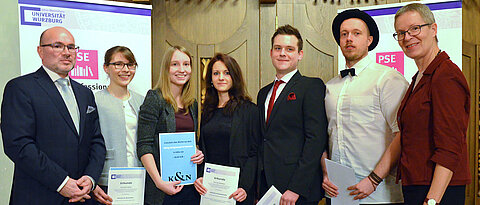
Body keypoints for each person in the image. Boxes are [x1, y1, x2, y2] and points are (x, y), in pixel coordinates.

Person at [367, 3, 471, 205]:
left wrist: (432, 200)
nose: (407, 37)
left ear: (433, 29)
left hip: (437, 190)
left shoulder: (446, 75)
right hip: (416, 185)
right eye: (401, 33)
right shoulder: (419, 77)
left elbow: (450, 148)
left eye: (415, 28)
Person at [1, 26, 106, 204]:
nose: (67, 52)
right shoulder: (20, 88)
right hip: (39, 196)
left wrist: (90, 178)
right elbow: (19, 145)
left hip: (82, 196)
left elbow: (96, 141)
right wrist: (61, 182)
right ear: (40, 51)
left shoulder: (85, 93)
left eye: (71, 47)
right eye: (58, 46)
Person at [321, 9, 408, 205]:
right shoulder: (330, 86)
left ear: (369, 40)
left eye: (356, 33)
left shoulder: (388, 79)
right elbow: (323, 136)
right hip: (338, 193)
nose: (349, 39)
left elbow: (403, 134)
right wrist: (325, 173)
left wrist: (373, 180)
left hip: (378, 195)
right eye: (344, 34)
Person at [256, 24, 328, 205]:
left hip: (296, 189)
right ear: (271, 52)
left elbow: (315, 140)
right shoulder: (263, 93)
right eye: (278, 48)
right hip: (267, 186)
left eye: (289, 49)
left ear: (300, 54)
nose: (282, 53)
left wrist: (296, 188)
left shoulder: (311, 87)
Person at [136, 45, 204, 205]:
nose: (182, 69)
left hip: (189, 186)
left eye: (186, 64)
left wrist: (197, 151)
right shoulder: (154, 98)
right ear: (166, 68)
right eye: (175, 64)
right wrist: (159, 182)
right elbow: (144, 146)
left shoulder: (192, 103)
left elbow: (191, 140)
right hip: (162, 189)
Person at [193, 53, 259, 204]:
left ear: (234, 77)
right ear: (210, 79)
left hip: (237, 192)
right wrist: (200, 176)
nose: (221, 77)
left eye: (226, 73)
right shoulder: (207, 111)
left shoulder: (250, 110)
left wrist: (245, 187)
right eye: (216, 73)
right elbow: (203, 150)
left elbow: (255, 152)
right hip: (210, 191)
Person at [91, 46, 145, 205]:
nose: (125, 70)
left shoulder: (142, 101)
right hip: (106, 180)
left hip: (139, 178)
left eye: (130, 65)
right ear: (106, 68)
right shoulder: (95, 101)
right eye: (118, 64)